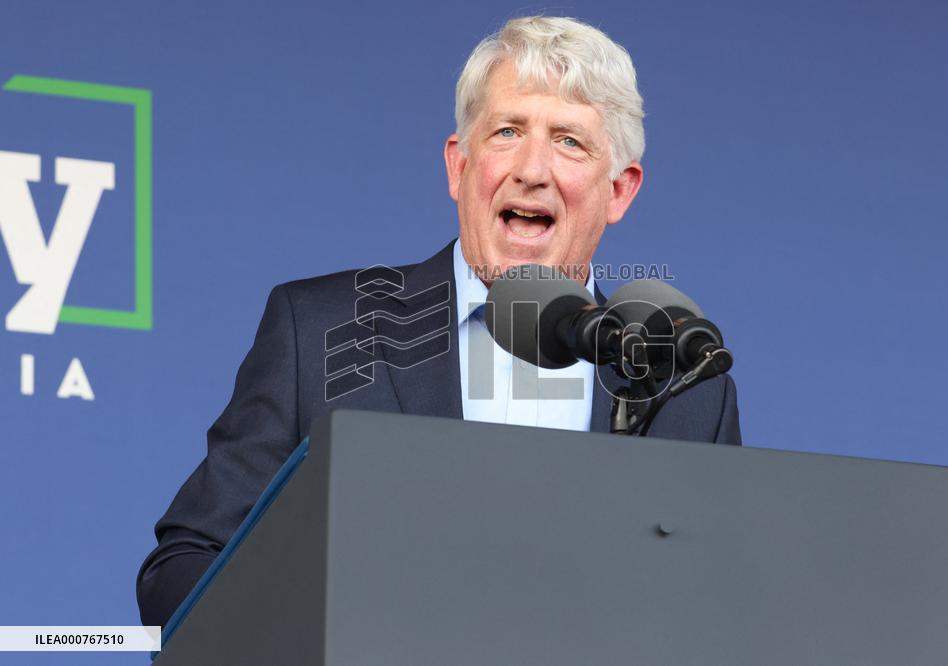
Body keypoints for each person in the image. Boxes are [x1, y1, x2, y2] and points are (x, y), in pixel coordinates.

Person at [137, 15, 741, 628]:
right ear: (458, 166)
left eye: (569, 142)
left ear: (619, 191)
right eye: (507, 131)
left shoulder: (681, 381)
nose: (532, 170)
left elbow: (724, 608)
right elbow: (184, 572)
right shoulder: (322, 331)